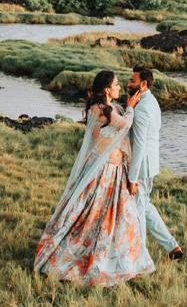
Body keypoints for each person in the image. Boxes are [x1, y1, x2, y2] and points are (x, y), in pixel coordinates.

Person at [35, 70, 155, 286]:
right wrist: (131, 106)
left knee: (121, 218)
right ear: (107, 89)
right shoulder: (100, 109)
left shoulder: (111, 108)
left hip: (116, 171)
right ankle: (79, 257)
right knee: (91, 216)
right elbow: (125, 124)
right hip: (104, 172)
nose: (121, 87)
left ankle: (123, 259)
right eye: (117, 84)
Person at [127, 67, 182, 260]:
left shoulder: (142, 108)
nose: (128, 84)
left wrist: (132, 176)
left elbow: (140, 143)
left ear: (143, 83)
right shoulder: (151, 101)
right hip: (150, 164)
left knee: (139, 210)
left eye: (132, 81)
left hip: (141, 167)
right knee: (145, 205)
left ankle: (140, 258)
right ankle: (173, 247)